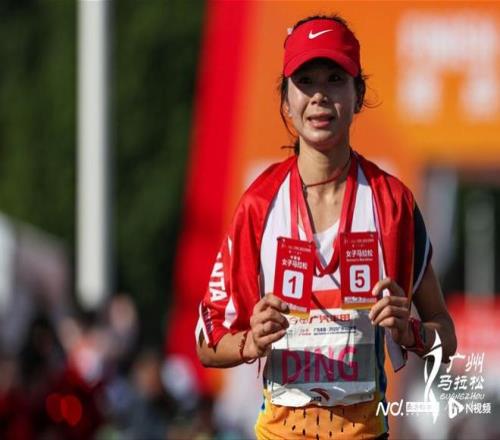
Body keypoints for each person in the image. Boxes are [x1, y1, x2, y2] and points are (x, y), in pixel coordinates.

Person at [195, 14, 457, 439]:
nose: (319, 96)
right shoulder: (259, 205)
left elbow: (447, 340)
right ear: (286, 100)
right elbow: (207, 345)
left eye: (335, 79)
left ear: (358, 95)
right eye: (305, 81)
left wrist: (411, 332)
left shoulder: (393, 204)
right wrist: (250, 342)